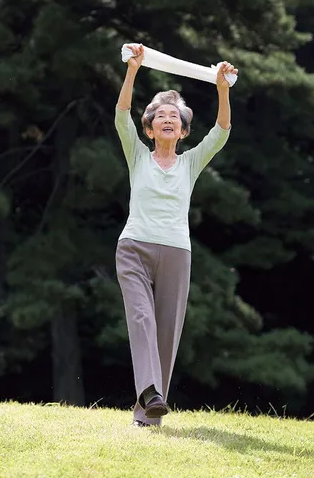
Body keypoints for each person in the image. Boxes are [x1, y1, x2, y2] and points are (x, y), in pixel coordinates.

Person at [115, 44, 238, 427]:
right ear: (150, 129)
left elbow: (220, 132)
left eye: (174, 117)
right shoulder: (137, 153)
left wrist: (222, 89)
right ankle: (151, 391)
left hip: (176, 253)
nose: (167, 119)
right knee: (141, 318)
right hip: (133, 247)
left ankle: (148, 414)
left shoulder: (189, 163)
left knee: (167, 330)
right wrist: (133, 71)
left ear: (183, 131)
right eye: (160, 116)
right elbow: (121, 115)